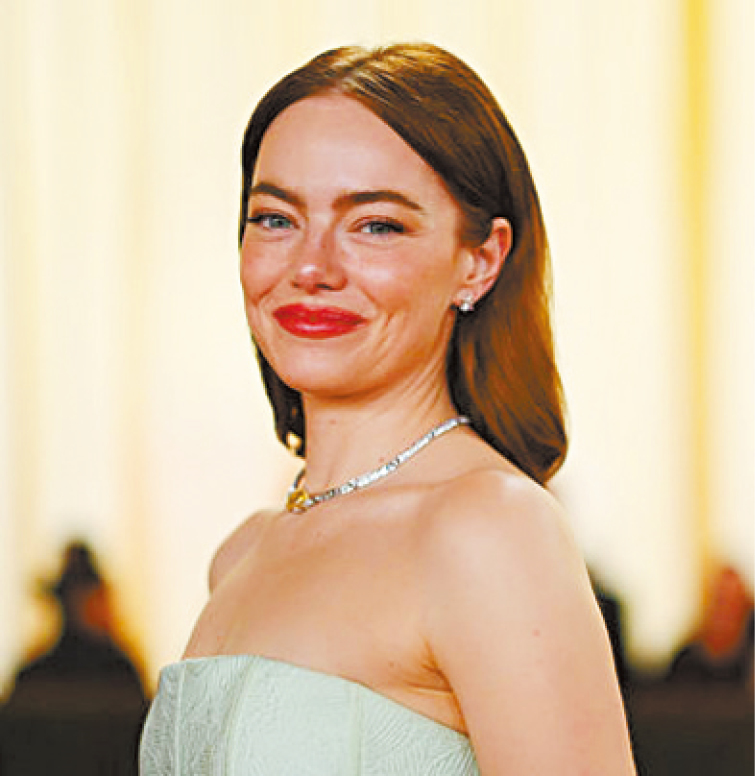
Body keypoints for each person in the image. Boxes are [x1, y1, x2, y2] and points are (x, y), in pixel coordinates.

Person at [140, 42, 636, 774]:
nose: (311, 267)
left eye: (376, 225)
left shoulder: (489, 531)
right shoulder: (241, 555)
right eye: (275, 218)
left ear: (480, 261)